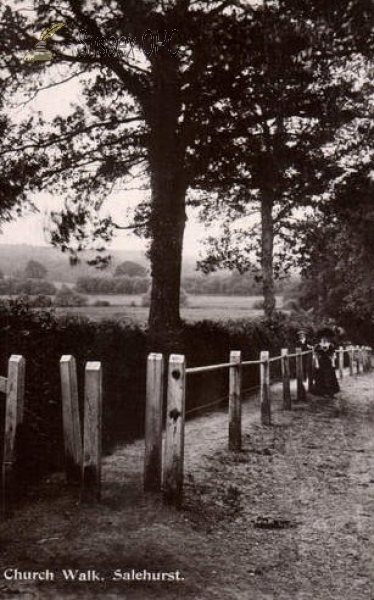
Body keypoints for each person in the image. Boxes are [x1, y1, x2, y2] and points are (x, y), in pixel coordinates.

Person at [312, 330, 340, 397]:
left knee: (330, 377)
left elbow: (333, 354)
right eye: (322, 337)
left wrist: (333, 363)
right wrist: (317, 364)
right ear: (320, 338)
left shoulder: (331, 345)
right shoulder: (317, 346)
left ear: (328, 338)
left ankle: (331, 393)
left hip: (328, 363)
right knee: (321, 377)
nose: (324, 338)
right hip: (321, 362)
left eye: (326, 337)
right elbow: (315, 355)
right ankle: (322, 392)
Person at [296, 329, 313, 399]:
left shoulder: (309, 341)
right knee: (302, 370)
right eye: (300, 335)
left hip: (308, 358)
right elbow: (296, 349)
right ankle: (303, 384)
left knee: (309, 369)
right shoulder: (297, 342)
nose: (301, 336)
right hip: (301, 358)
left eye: (302, 334)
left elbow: (313, 348)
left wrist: (311, 347)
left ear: (305, 335)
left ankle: (310, 385)